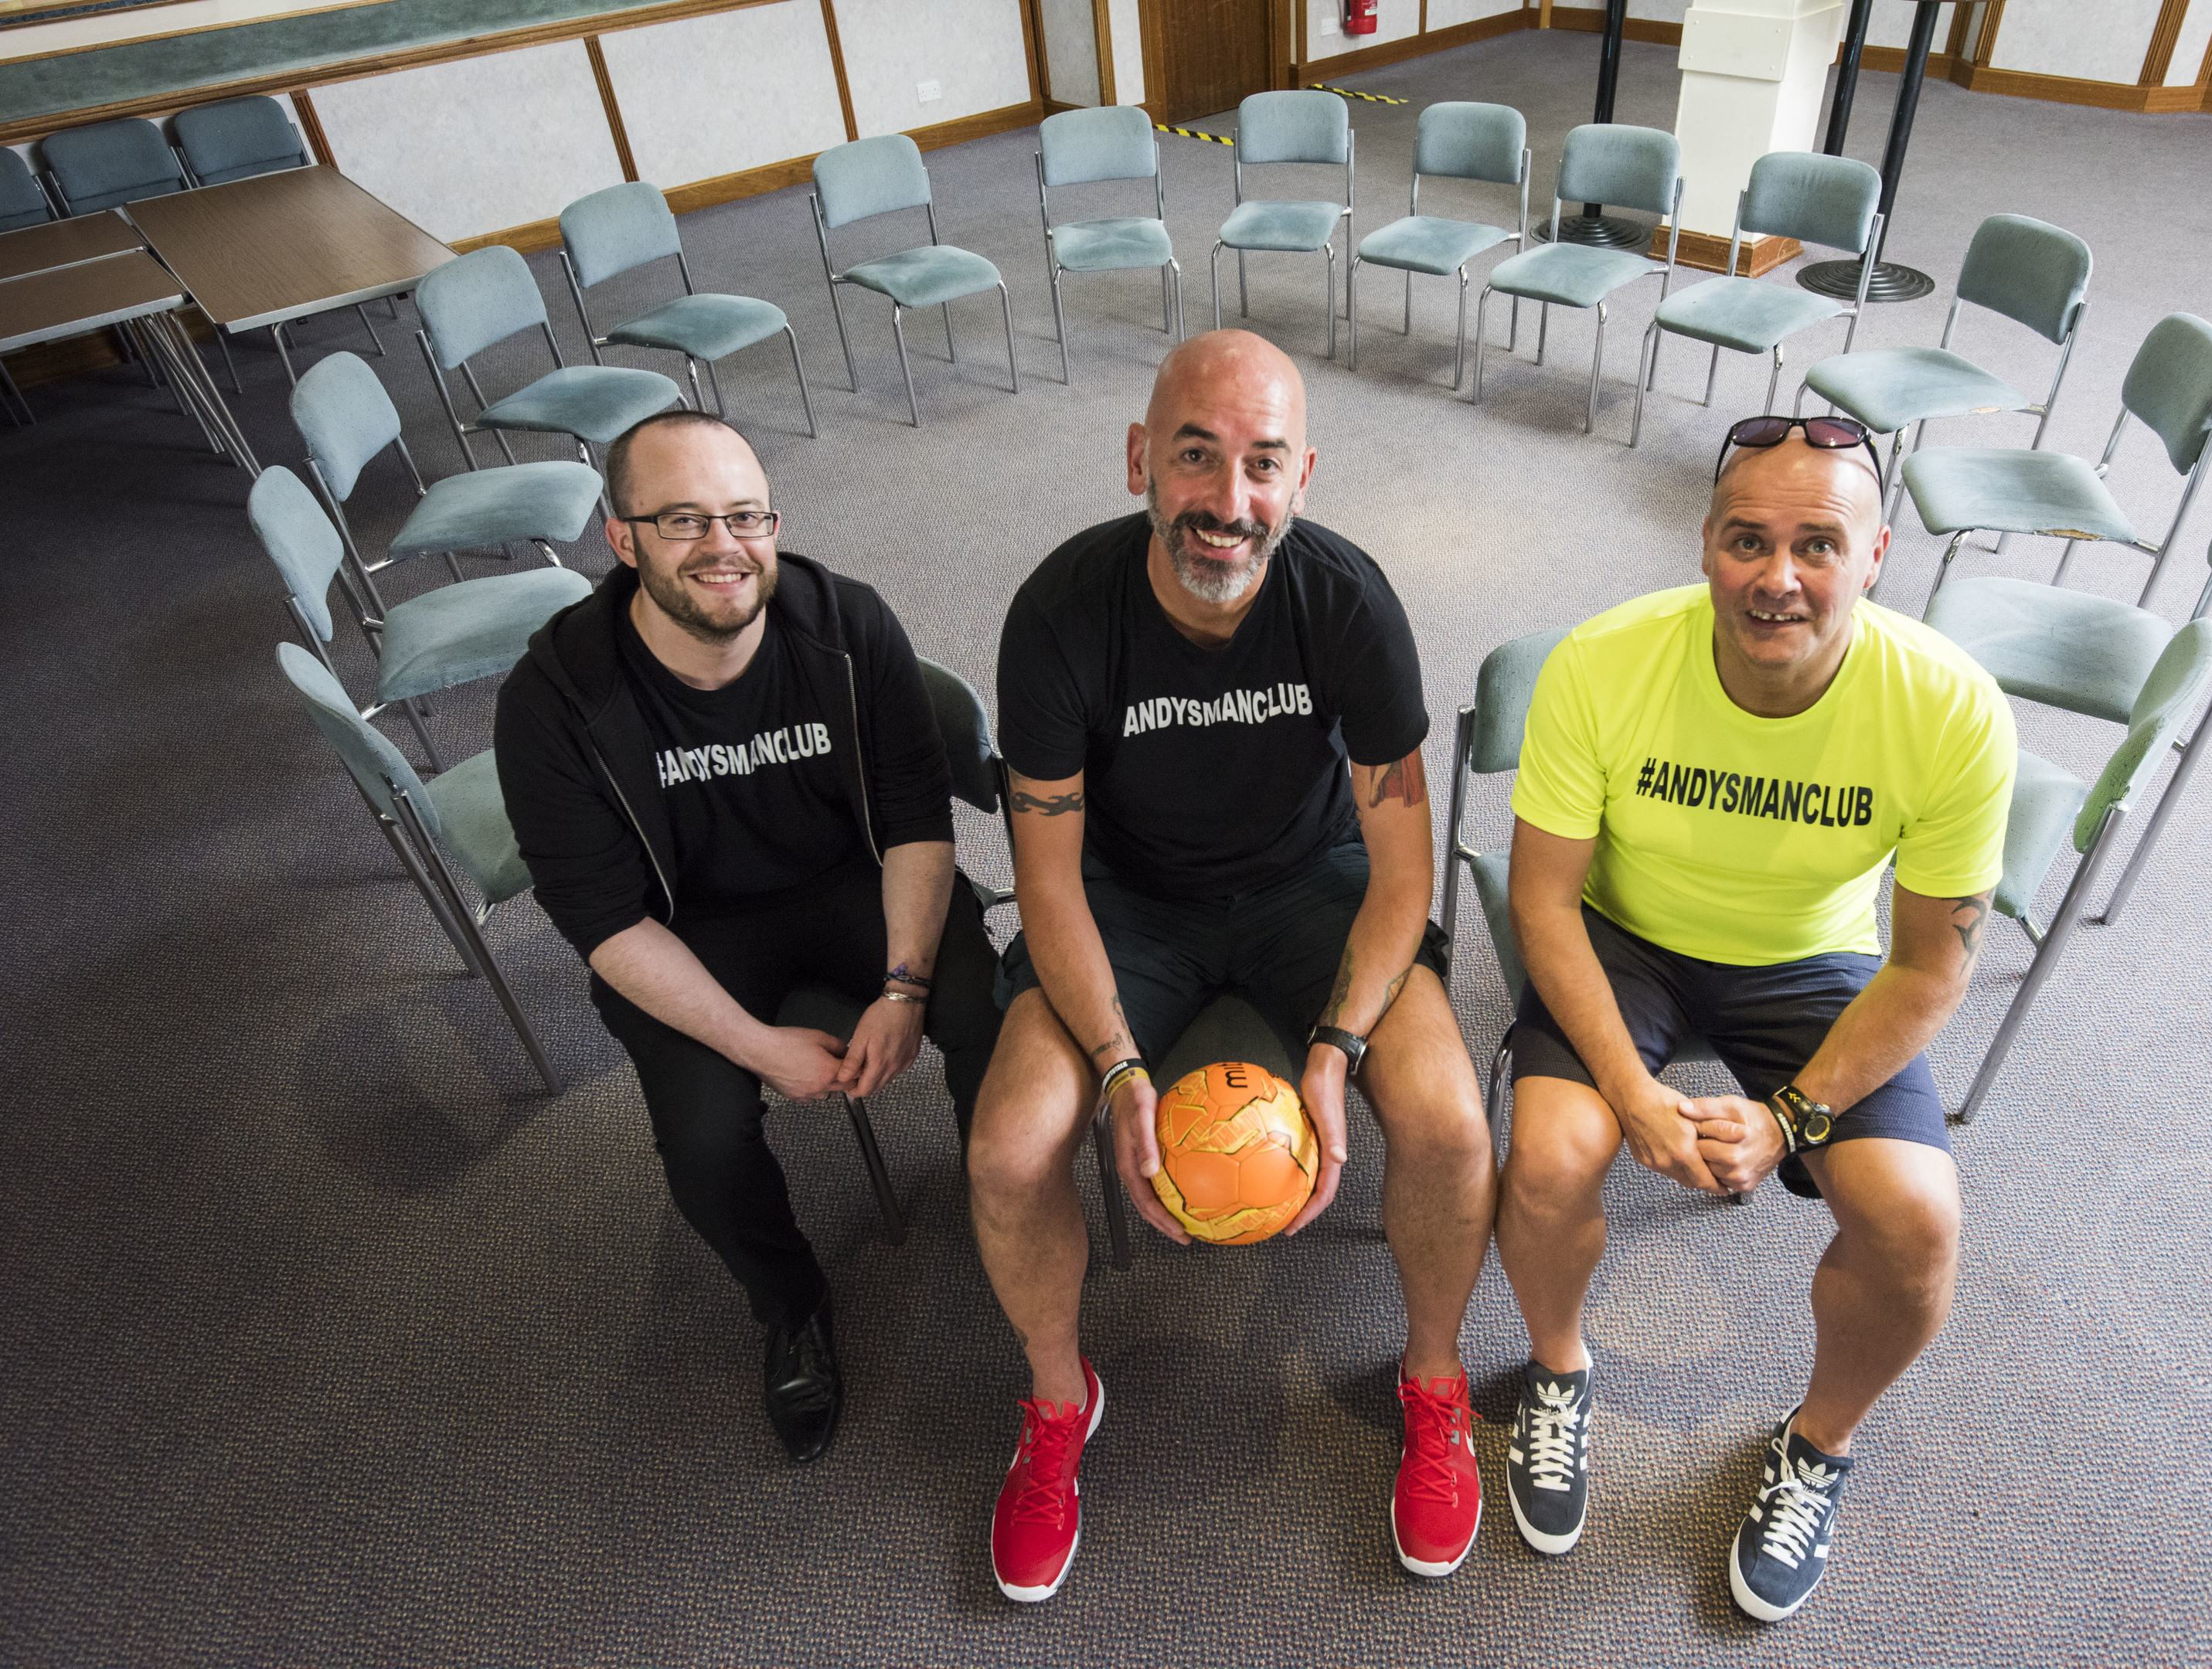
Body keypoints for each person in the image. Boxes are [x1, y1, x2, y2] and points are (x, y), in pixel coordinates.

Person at [968, 331, 1496, 1602]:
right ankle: (1056, 1401)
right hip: (1126, 903)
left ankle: (1434, 1384)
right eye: (1197, 457)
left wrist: (1339, 1048)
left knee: (1451, 1123)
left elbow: (1404, 868)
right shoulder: (1060, 612)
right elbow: (1046, 879)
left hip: (1313, 891)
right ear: (1142, 457)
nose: (1229, 502)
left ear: (1302, 475)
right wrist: (1114, 1067)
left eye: (1263, 465)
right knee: (1005, 1145)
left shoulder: (1349, 604)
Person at [1493, 414, 2016, 1622]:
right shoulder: (1605, 662)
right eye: (1748, 540)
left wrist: (1787, 1120)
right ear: (1706, 546)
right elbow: (1542, 900)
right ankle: (1557, 1370)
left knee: (1918, 1225)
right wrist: (1630, 1094)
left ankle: (1819, 1444)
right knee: (1551, 1161)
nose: (1779, 578)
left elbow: (1933, 967)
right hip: (1624, 938)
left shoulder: (1950, 707)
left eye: (1818, 545)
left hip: (1815, 959)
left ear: (1876, 553)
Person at [495, 410, 1001, 1464]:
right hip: (686, 935)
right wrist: (755, 1046)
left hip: (860, 886)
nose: (724, 547)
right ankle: (790, 1303)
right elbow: (605, 923)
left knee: (993, 1014)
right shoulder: (554, 700)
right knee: (705, 1144)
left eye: (745, 515)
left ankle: (1003, 1193)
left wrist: (905, 991)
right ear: (622, 540)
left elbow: (916, 823)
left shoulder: (847, 627)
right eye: (683, 520)